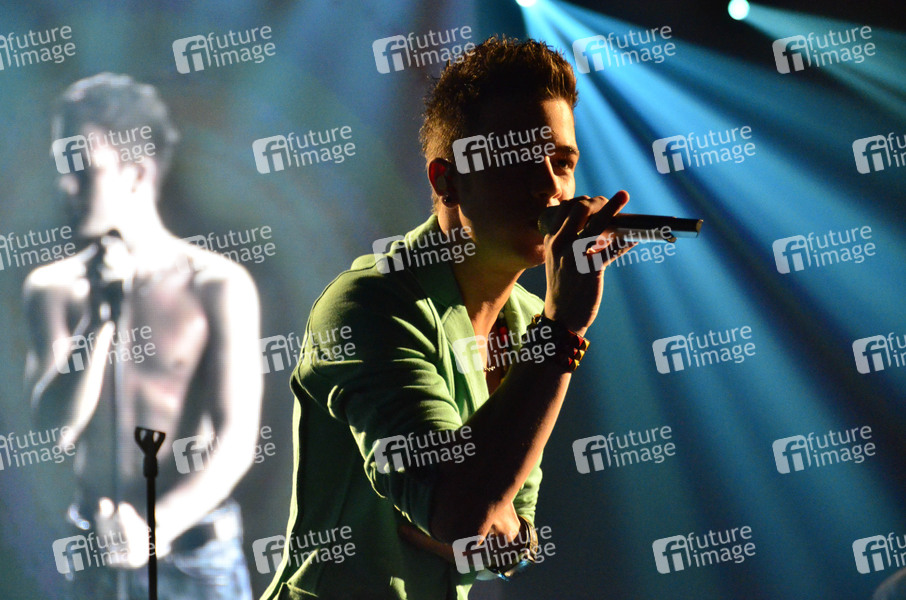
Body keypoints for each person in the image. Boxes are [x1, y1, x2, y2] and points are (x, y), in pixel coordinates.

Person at [260, 36, 634, 600]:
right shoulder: (369, 306)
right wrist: (562, 331)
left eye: (562, 162)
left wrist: (490, 525)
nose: (550, 186)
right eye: (517, 158)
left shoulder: (527, 319)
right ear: (446, 180)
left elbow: (513, 535)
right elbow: (463, 513)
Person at [23, 73, 263, 600]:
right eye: (63, 169)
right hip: (96, 556)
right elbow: (51, 434)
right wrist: (100, 317)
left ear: (136, 173)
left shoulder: (217, 285)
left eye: (83, 169)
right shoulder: (52, 289)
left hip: (197, 561)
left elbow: (237, 438)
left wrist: (157, 527)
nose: (67, 187)